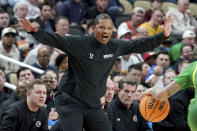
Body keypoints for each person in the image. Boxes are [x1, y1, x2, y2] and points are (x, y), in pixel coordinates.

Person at [20, 13, 172, 131]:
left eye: (109, 28)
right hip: (70, 101)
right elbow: (56, 39)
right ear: (93, 28)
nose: (106, 31)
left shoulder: (115, 46)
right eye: (101, 27)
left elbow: (138, 44)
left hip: (93, 104)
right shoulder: (80, 43)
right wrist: (36, 32)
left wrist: (163, 35)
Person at [143, 61, 197, 131]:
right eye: (168, 77)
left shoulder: (193, 67)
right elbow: (180, 126)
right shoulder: (177, 98)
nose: (171, 79)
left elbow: (163, 93)